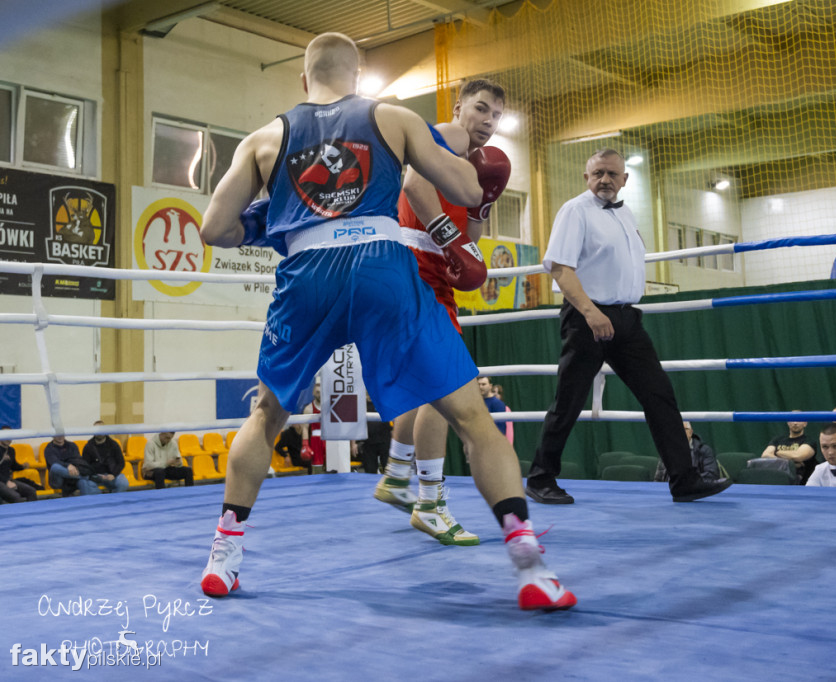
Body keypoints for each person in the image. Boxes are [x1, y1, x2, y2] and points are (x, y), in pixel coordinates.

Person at [197, 33, 574, 611]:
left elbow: (214, 230)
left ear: (304, 80)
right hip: (383, 268)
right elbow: (467, 188)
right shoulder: (393, 117)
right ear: (359, 74)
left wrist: (271, 218)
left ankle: (223, 557)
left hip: (306, 273)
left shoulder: (265, 138)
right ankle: (529, 565)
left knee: (267, 414)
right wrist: (481, 189)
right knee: (472, 415)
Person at [526, 148, 730, 505]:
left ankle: (684, 479)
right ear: (586, 177)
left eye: (611, 174)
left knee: (659, 394)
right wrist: (591, 312)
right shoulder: (575, 211)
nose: (605, 179)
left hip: (626, 318)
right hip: (588, 317)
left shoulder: (627, 213)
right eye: (598, 173)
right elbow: (559, 267)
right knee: (569, 400)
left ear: (624, 179)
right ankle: (541, 477)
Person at [374, 78, 510, 547]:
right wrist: (449, 239)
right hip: (418, 262)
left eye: (496, 116)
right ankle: (430, 504)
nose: (488, 122)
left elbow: (470, 228)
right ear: (459, 108)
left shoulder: (482, 164)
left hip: (425, 268)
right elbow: (412, 183)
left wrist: (483, 210)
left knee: (430, 385)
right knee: (448, 384)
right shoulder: (447, 136)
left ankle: (396, 475)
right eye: (481, 109)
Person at [760, 413, 817, 484]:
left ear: (805, 423)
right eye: (792, 419)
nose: (795, 423)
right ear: (788, 422)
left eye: (799, 420)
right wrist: (791, 463)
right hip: (777, 480)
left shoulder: (809, 441)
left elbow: (798, 456)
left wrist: (777, 452)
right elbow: (765, 455)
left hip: (801, 483)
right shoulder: (778, 440)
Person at [654, 422, 720, 483]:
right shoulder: (668, 451)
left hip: (695, 491)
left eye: (685, 429)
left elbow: (712, 475)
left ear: (691, 432)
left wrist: (687, 482)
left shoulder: (704, 450)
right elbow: (658, 480)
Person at [80, 421, 130, 494]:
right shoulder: (88, 447)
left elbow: (121, 463)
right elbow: (85, 466)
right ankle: (100, 498)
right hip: (95, 477)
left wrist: (113, 474)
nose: (100, 432)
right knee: (86, 486)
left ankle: (113, 500)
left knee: (123, 483)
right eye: (97, 430)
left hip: (112, 475)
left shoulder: (114, 445)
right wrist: (96, 476)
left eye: (102, 429)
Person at [0, 426, 37, 503]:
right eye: (6, 435)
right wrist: (6, 481)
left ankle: (32, 513)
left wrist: (23, 466)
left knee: (32, 491)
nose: (8, 438)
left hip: (7, 480)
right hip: (3, 481)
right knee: (16, 497)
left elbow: (13, 466)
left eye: (10, 436)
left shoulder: (11, 450)